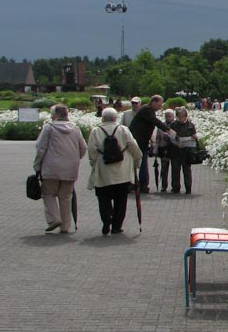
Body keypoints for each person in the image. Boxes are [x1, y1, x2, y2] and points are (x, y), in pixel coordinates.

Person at [32, 103, 87, 234]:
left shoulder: (49, 128)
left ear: (56, 115)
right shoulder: (75, 128)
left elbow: (41, 148)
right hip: (70, 168)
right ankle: (65, 226)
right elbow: (83, 148)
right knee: (66, 197)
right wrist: (75, 159)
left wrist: (37, 165)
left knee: (48, 193)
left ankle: (54, 219)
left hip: (51, 167)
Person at [86, 107, 142, 235]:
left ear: (103, 118)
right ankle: (117, 226)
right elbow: (133, 146)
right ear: (116, 118)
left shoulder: (96, 131)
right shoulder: (123, 129)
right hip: (122, 170)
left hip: (103, 171)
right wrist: (137, 159)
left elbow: (92, 151)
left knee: (103, 199)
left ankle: (106, 221)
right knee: (121, 200)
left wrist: (94, 162)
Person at [129, 94, 171, 193]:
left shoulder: (149, 110)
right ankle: (140, 184)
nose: (160, 107)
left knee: (139, 164)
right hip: (137, 141)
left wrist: (152, 140)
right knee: (140, 164)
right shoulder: (146, 110)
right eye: (159, 105)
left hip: (142, 141)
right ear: (154, 102)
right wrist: (168, 130)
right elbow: (155, 122)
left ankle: (138, 184)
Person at [167, 106, 198, 194]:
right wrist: (175, 138)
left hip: (186, 151)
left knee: (187, 170)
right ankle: (175, 187)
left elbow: (194, 135)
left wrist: (194, 137)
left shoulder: (190, 125)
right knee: (175, 170)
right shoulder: (173, 125)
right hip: (175, 150)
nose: (180, 119)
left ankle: (188, 188)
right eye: (179, 117)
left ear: (185, 117)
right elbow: (170, 135)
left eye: (182, 117)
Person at [155, 108, 176, 192]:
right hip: (164, 149)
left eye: (170, 116)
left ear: (173, 116)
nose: (168, 118)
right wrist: (156, 149)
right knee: (164, 168)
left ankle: (174, 186)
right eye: (167, 116)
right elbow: (157, 139)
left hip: (174, 148)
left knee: (175, 168)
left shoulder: (176, 125)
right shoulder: (161, 126)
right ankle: (164, 186)